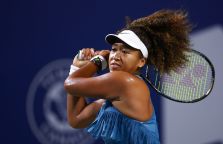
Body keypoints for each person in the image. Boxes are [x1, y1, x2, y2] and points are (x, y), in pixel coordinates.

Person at [64, 9, 191, 144]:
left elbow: (70, 84)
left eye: (125, 51)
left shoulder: (124, 82)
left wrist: (99, 61)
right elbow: (76, 119)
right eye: (114, 49)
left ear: (141, 61)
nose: (116, 56)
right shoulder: (117, 94)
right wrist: (76, 67)